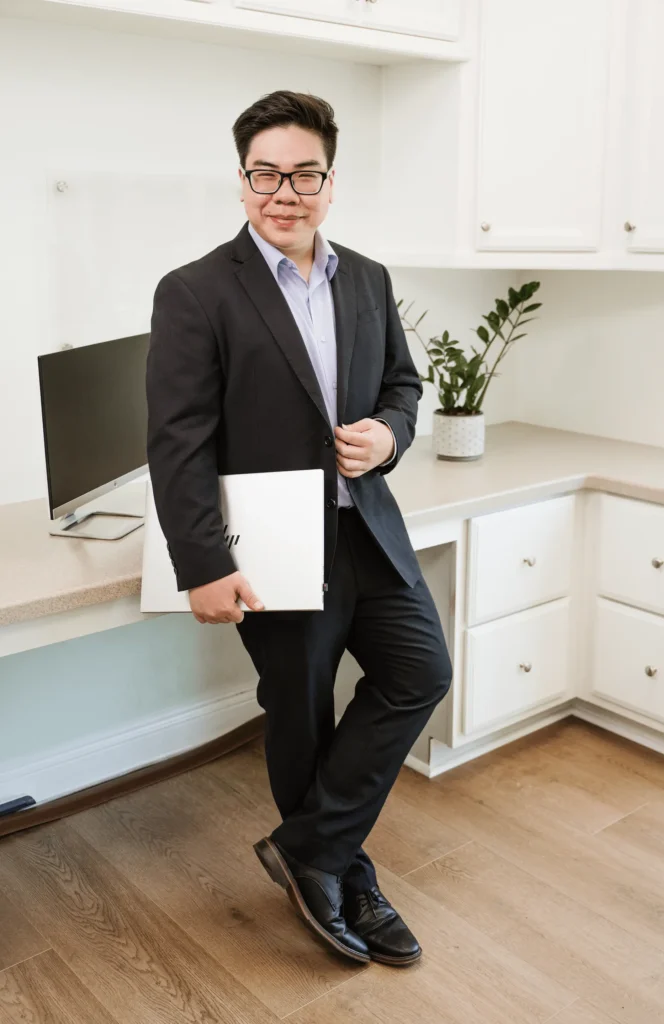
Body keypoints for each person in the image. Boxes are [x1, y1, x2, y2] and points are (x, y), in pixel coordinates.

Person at [146, 90, 453, 967]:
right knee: (301, 713)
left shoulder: (366, 277)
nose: (286, 191)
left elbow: (402, 385)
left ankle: (311, 850)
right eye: (266, 174)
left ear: (329, 179)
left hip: (368, 528)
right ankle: (336, 870)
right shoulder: (195, 291)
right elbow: (177, 444)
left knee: (421, 672)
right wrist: (200, 562)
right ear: (242, 181)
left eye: (304, 173)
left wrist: (389, 434)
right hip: (277, 546)